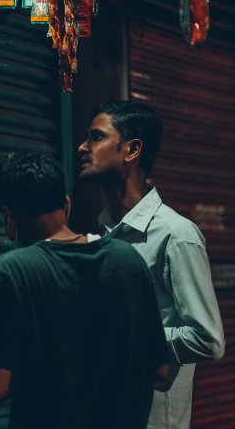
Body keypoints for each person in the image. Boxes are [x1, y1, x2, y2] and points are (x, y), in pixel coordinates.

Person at [0, 149, 169, 429]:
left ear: (9, 219)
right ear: (66, 205)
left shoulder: (13, 270)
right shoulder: (128, 260)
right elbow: (159, 369)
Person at [78, 101, 225, 429]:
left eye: (96, 137)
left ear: (131, 150)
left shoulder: (176, 234)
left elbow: (208, 339)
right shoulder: (105, 232)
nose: (82, 147)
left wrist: (128, 337)